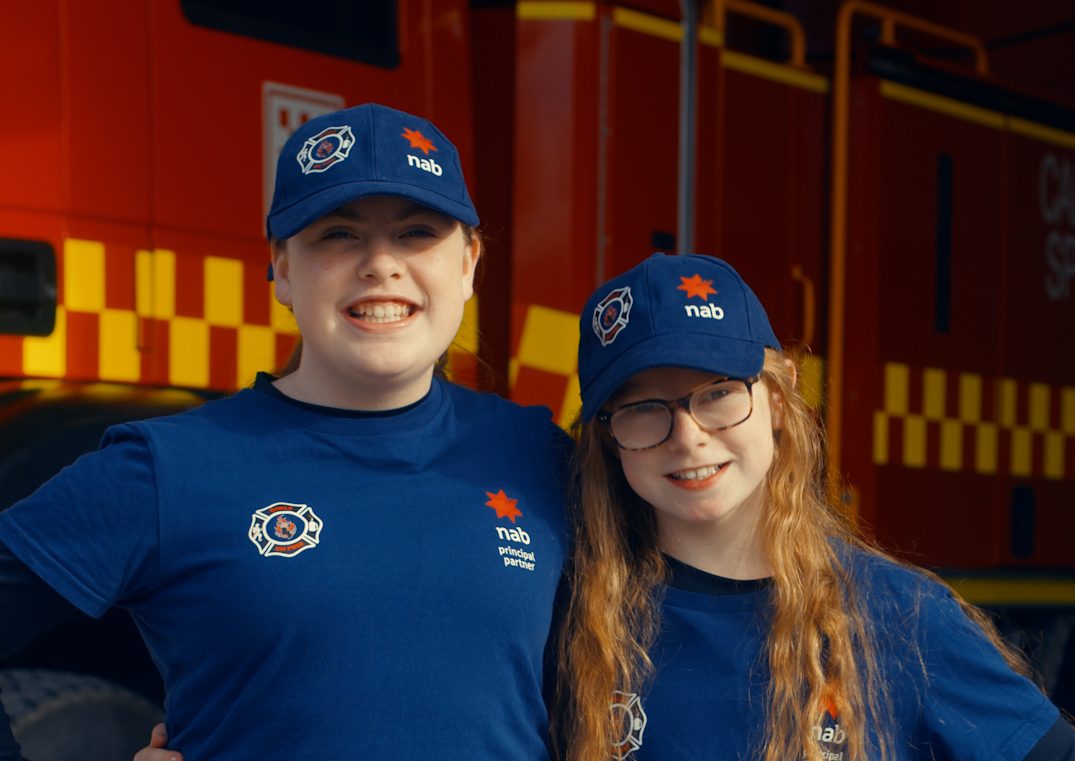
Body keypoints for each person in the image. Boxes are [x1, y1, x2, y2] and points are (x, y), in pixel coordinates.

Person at [0, 103, 571, 760]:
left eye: (416, 232)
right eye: (338, 234)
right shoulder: (170, 468)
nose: (381, 264)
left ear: (468, 263)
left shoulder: (539, 454)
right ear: (281, 267)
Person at [555, 252, 1074, 761]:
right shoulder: (581, 626)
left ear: (778, 400)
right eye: (643, 409)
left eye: (718, 394)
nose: (688, 437)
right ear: (609, 438)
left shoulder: (899, 619)